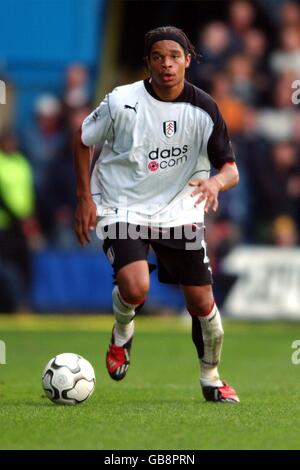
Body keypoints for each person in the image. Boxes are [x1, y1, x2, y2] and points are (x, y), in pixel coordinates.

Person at [74, 26, 240, 404]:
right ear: (148, 62)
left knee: (201, 303)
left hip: (180, 212)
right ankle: (122, 334)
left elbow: (231, 169)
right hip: (121, 203)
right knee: (135, 288)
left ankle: (211, 377)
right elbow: (82, 139)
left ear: (188, 60)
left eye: (174, 57)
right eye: (158, 57)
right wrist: (84, 197)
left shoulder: (205, 109)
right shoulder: (121, 101)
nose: (166, 64)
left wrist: (215, 184)